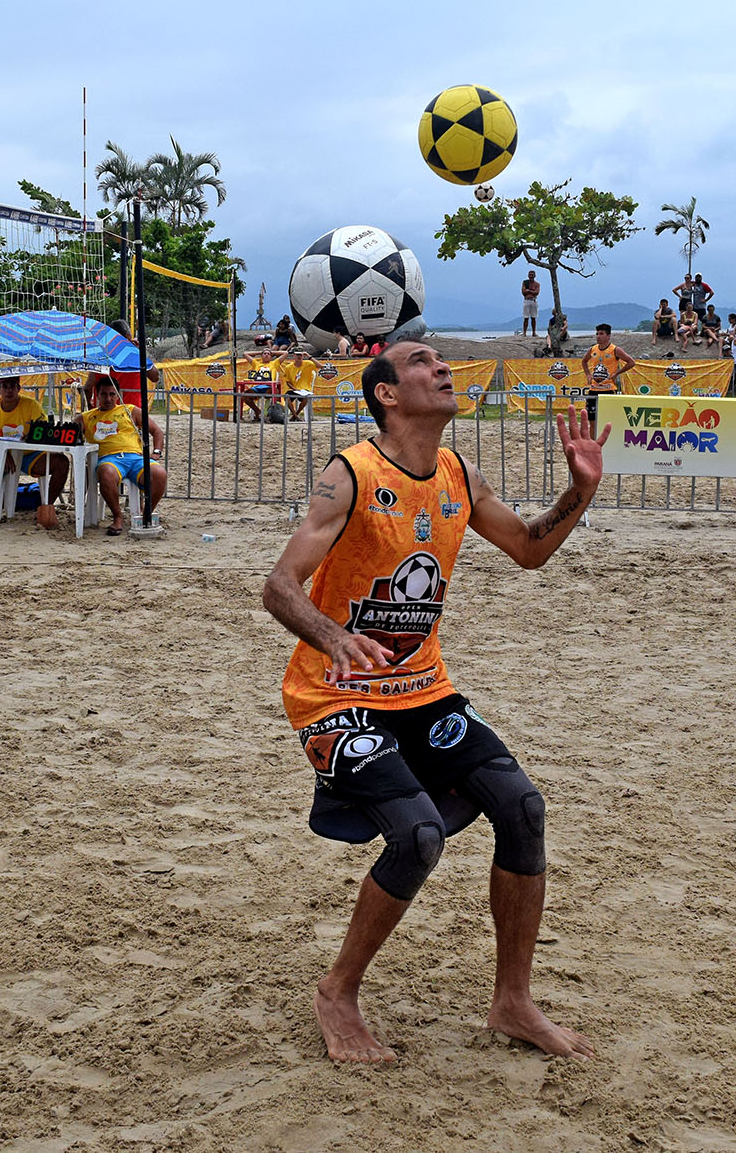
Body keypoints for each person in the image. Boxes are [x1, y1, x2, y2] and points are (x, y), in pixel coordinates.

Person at [261, 340, 606, 1063]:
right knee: (418, 834)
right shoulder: (350, 473)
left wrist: (579, 493)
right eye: (422, 360)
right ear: (386, 393)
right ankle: (338, 991)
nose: (443, 366)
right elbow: (280, 585)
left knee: (523, 808)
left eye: (444, 357)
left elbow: (528, 548)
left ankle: (513, 1000)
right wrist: (332, 635)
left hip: (423, 690)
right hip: (335, 695)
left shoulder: (457, 472)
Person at [0, 375, 65, 528]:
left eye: (12, 386)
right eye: (5, 386)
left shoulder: (31, 405)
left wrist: (33, 436)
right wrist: (3, 451)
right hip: (1, 456)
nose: (9, 390)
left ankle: (45, 508)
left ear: (19, 389)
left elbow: (45, 431)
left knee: (62, 461)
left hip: (30, 456)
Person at [82, 373, 167, 535]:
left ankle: (146, 513)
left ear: (118, 395)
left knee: (160, 474)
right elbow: (67, 432)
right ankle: (118, 516)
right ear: (97, 395)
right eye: (103, 394)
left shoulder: (130, 411)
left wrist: (156, 452)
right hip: (109, 460)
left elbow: (157, 431)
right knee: (106, 473)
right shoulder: (87, 417)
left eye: (112, 394)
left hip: (135, 458)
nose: (108, 398)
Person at [582, 322, 635, 419]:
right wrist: (588, 375)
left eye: (601, 334)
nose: (598, 336)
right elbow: (584, 361)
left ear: (608, 336)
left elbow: (631, 362)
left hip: (608, 389)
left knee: (607, 419)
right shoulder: (593, 349)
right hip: (594, 389)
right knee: (592, 420)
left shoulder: (615, 349)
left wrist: (617, 373)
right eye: (597, 334)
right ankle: (593, 435)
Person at [279, 346, 317, 419]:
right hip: (294, 389)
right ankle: (295, 415)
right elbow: (288, 382)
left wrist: (309, 356)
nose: (299, 356)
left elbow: (320, 366)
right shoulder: (288, 367)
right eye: (297, 355)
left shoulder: (308, 364)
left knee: (306, 398)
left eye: (301, 355)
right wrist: (295, 389)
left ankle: (296, 414)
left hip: (304, 389)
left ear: (303, 355)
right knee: (286, 397)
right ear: (294, 355)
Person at [520, 271, 541, 337]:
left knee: (533, 317)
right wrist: (532, 291)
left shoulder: (537, 284)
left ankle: (534, 332)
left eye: (532, 275)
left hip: (533, 301)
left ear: (535, 276)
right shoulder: (525, 283)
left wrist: (528, 291)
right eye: (530, 275)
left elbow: (537, 292)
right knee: (526, 317)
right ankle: (524, 333)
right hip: (526, 301)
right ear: (528, 275)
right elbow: (523, 292)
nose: (531, 276)